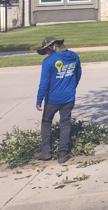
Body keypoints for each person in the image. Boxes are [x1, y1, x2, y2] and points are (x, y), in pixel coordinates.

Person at [33, 36, 82, 164]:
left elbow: (44, 83)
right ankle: (63, 153)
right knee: (65, 123)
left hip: (53, 100)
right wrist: (72, 87)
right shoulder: (74, 56)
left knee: (46, 122)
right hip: (69, 97)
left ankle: (46, 152)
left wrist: (39, 100)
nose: (46, 53)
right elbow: (78, 73)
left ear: (51, 48)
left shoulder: (48, 62)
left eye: (46, 51)